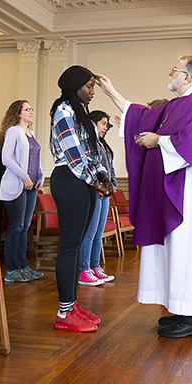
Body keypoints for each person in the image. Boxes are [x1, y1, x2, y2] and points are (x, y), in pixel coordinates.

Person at [96, 55, 192, 338]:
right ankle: (182, 311)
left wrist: (158, 140)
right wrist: (111, 92)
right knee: (177, 252)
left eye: (174, 69)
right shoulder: (178, 105)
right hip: (177, 193)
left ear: (187, 77)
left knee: (189, 252)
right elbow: (141, 116)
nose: (169, 73)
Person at [49, 66, 113, 332]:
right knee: (69, 245)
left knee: (75, 246)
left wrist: (102, 176)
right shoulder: (63, 109)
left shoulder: (80, 111)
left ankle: (72, 304)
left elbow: (92, 151)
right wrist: (95, 181)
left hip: (82, 180)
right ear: (75, 86)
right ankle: (64, 312)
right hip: (69, 180)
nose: (92, 91)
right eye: (89, 86)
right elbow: (74, 156)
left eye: (94, 86)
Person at [0, 99, 45, 283]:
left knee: (25, 228)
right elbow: (6, 159)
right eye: (27, 109)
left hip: (32, 186)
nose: (31, 111)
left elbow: (36, 158)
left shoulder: (30, 133)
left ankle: (23, 266)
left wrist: (39, 177)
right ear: (18, 113)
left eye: (31, 109)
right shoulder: (13, 131)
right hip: (16, 185)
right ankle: (12, 269)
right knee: (16, 226)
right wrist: (24, 177)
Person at [77, 110, 117, 286]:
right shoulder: (88, 143)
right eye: (103, 123)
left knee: (98, 232)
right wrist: (99, 185)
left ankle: (94, 266)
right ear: (93, 123)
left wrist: (113, 184)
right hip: (94, 190)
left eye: (107, 124)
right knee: (90, 232)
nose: (106, 127)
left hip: (106, 192)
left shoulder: (103, 145)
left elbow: (110, 168)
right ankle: (84, 269)